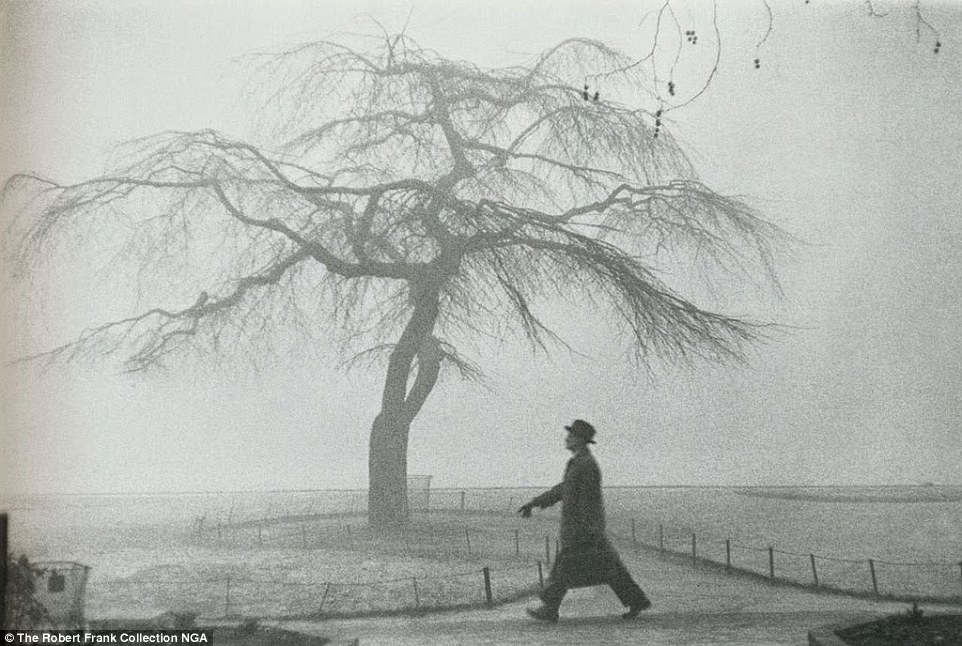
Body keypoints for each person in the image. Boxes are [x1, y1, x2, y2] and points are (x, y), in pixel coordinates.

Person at [518, 419, 651, 622]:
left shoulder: (586, 465)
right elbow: (563, 489)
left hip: (582, 530)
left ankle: (550, 609)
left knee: (565, 568)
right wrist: (535, 503)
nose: (566, 439)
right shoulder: (579, 463)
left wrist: (589, 531)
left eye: (570, 436)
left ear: (580, 440)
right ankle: (637, 601)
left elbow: (589, 501)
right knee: (609, 568)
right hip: (583, 530)